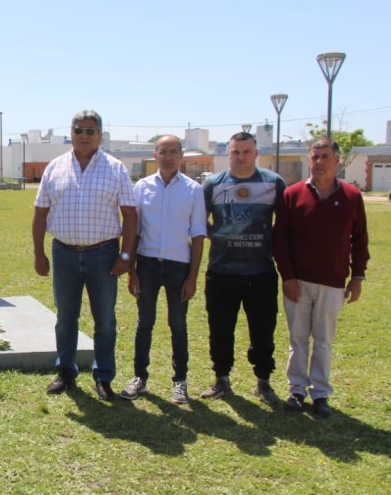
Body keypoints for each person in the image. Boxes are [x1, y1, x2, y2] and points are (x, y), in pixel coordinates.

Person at [32, 110, 137, 401]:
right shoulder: (55, 167)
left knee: (105, 320)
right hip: (63, 254)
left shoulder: (115, 168)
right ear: (71, 133)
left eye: (90, 130)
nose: (84, 135)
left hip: (103, 255)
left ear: (100, 135)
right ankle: (65, 371)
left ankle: (103, 376)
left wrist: (125, 256)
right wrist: (39, 252)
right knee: (66, 318)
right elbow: (40, 212)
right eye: (78, 130)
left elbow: (130, 215)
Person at [273, 138, 369, 418]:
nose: (319, 162)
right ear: (309, 160)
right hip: (298, 282)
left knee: (324, 339)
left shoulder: (351, 196)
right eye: (315, 157)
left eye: (325, 157)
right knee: (298, 338)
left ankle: (320, 393)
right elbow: (280, 240)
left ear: (336, 160)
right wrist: (288, 277)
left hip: (333, 282)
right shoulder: (292, 194)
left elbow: (360, 239)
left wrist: (357, 276)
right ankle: (297, 390)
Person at [199, 132, 286, 406]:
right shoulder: (213, 184)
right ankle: (221, 379)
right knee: (220, 330)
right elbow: (199, 220)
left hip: (260, 273)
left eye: (246, 151)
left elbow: (285, 223)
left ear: (256, 153)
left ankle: (264, 382)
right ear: (229, 154)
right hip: (221, 272)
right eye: (235, 152)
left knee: (263, 331)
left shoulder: (273, 183)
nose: (241, 157)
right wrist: (218, 236)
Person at [120, 135, 206, 404]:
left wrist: (192, 277)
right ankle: (139, 377)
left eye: (173, 152)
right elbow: (134, 232)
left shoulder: (193, 190)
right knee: (144, 322)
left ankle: (180, 381)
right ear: (154, 155)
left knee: (178, 324)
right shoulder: (142, 187)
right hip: (146, 265)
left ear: (181, 155)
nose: (168, 157)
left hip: (178, 266)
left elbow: (198, 235)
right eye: (163, 152)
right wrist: (132, 271)